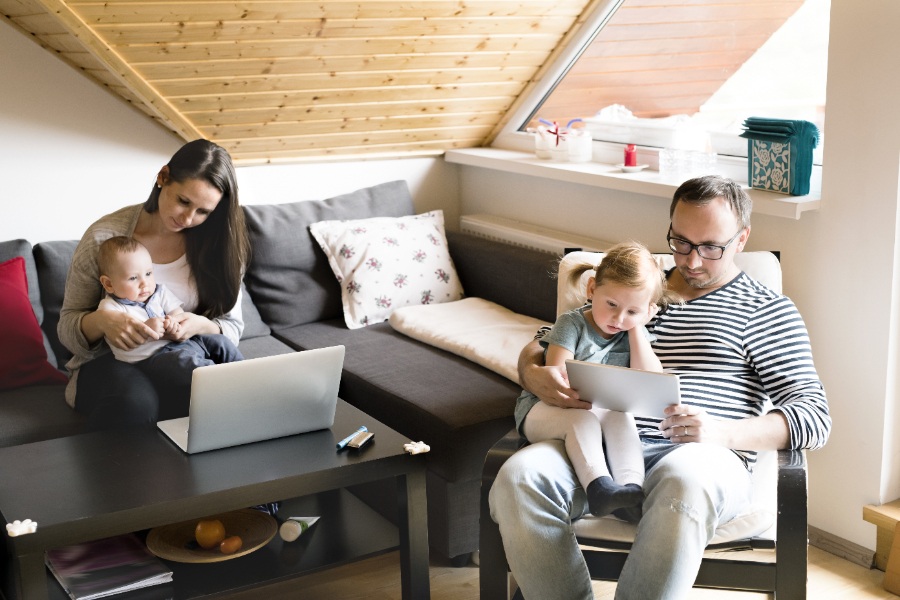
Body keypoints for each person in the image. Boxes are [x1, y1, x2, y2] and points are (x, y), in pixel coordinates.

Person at [490, 174, 831, 600]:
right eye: (681, 241)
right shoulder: (635, 286)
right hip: (598, 445)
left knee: (682, 480)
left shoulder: (766, 311)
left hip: (701, 456)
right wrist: (531, 369)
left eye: (711, 247)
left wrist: (722, 432)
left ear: (741, 239)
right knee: (519, 477)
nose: (691, 261)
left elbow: (815, 417)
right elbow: (553, 335)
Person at [59, 139, 250, 428]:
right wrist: (103, 322)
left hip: (181, 353)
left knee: (205, 387)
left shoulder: (221, 244)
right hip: (113, 362)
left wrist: (199, 324)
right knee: (136, 403)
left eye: (203, 211)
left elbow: (230, 328)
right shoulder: (104, 238)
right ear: (162, 178)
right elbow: (67, 326)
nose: (188, 218)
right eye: (183, 201)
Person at [515, 241, 679, 519]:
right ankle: (599, 486)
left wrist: (637, 328)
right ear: (592, 289)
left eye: (632, 311)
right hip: (547, 410)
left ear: (648, 311)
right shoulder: (572, 324)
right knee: (585, 418)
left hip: (596, 414)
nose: (618, 318)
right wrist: (635, 316)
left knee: (621, 417)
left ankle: (630, 491)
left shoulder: (631, 332)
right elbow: (558, 378)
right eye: (612, 304)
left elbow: (650, 379)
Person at [96, 235, 243, 386]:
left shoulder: (159, 292)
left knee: (220, 342)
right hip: (152, 358)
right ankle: (222, 385)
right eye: (133, 278)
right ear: (108, 284)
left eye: (148, 274)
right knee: (187, 364)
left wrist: (174, 321)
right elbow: (122, 334)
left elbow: (177, 312)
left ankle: (246, 376)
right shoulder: (110, 307)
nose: (144, 283)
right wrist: (146, 328)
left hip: (185, 342)